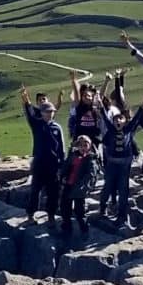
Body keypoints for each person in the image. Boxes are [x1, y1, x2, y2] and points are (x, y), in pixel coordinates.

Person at [97, 93, 143, 226]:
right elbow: (103, 116)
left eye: (121, 119)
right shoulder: (111, 129)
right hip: (112, 163)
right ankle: (102, 209)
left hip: (124, 164)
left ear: (125, 121)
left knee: (123, 189)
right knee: (107, 187)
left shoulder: (129, 129)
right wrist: (100, 104)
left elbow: (137, 118)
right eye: (116, 120)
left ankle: (122, 215)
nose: (118, 121)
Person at [20, 86, 66, 227]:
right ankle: (30, 215)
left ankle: (51, 216)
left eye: (51, 111)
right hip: (39, 163)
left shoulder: (57, 127)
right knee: (35, 191)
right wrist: (25, 99)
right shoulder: (37, 124)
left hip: (53, 165)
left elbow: (62, 148)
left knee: (53, 192)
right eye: (46, 111)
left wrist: (62, 165)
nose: (49, 114)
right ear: (42, 112)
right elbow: (28, 111)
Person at [59, 135, 99, 236]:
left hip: (80, 188)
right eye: (80, 145)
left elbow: (91, 175)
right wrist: (62, 176)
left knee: (80, 211)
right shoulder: (73, 155)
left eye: (85, 145)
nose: (82, 148)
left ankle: (84, 230)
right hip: (69, 184)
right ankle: (67, 227)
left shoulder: (91, 159)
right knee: (64, 207)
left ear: (89, 146)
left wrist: (85, 186)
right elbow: (66, 166)